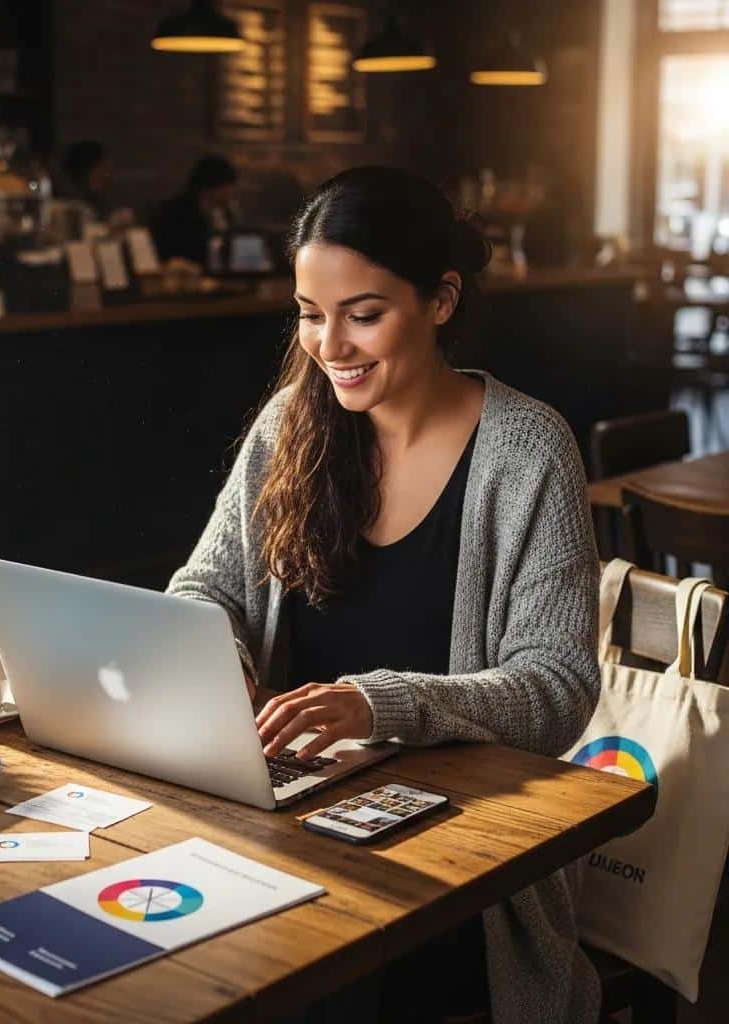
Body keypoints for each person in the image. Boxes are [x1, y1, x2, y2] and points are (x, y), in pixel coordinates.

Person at [167, 166, 601, 1024]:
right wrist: (211, 640)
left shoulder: (527, 450)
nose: (331, 346)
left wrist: (377, 704)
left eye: (363, 315)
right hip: (286, 819)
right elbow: (203, 585)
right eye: (309, 314)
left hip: (454, 868)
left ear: (441, 300)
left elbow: (558, 688)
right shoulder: (292, 421)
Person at [150, 154, 238, 266]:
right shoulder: (173, 213)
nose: (232, 192)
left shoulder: (224, 213)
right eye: (228, 186)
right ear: (213, 186)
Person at [59, 139, 114, 222]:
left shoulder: (99, 202)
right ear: (85, 170)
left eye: (109, 171)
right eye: (103, 171)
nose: (108, 177)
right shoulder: (69, 208)